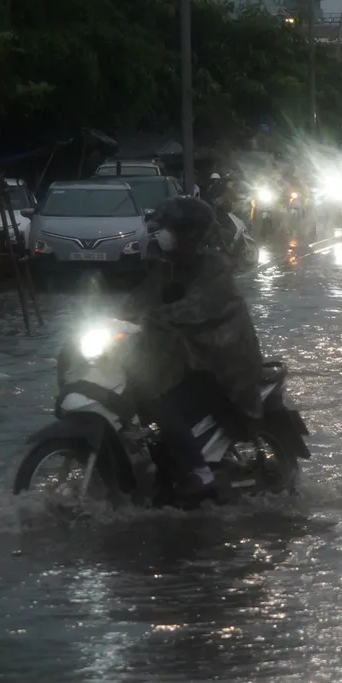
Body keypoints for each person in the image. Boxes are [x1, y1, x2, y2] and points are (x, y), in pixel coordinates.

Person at [121, 196, 265, 500]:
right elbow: (141, 297)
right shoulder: (170, 267)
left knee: (160, 400)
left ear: (190, 235)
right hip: (187, 358)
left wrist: (153, 318)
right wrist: (115, 317)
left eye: (172, 229)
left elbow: (196, 307)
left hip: (221, 365)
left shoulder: (215, 269)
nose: (165, 234)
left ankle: (201, 472)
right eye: (165, 228)